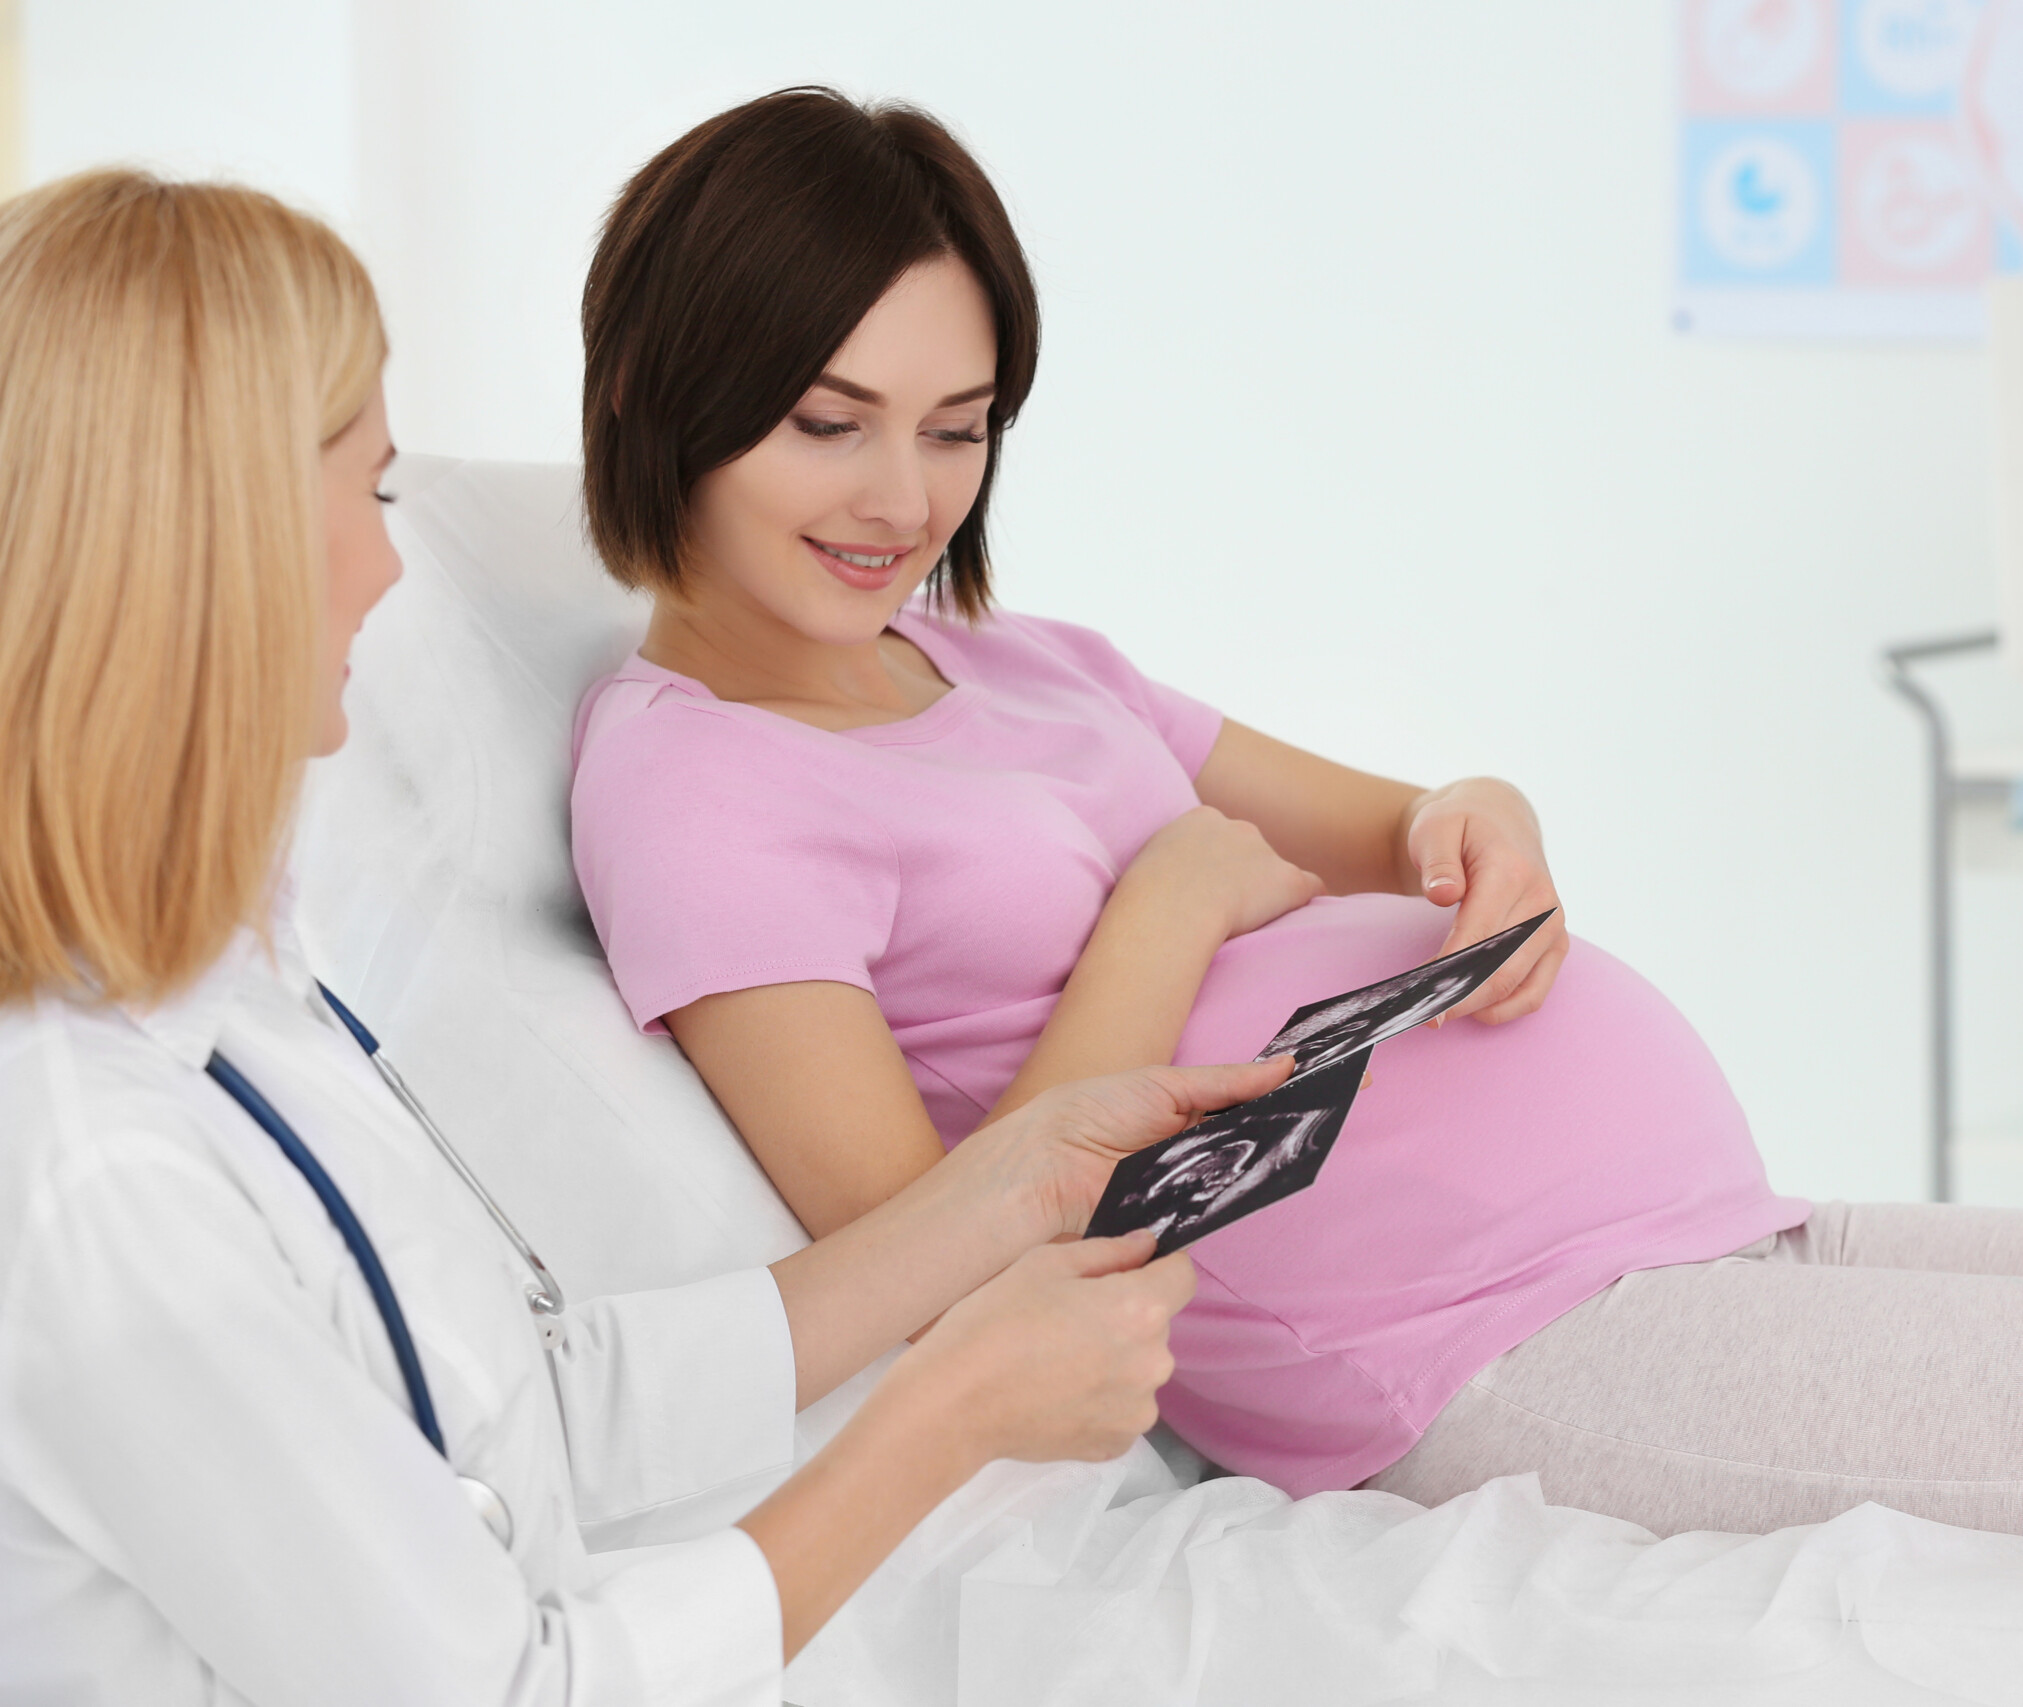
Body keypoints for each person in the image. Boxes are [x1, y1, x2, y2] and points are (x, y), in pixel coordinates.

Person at [568, 88, 2023, 1572]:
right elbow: (934, 1268)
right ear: (667, 385)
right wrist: (1172, 893)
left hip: (1684, 1226)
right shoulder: (694, 784)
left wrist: (1482, 835)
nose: (900, 494)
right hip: (1476, 1350)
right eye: (826, 420)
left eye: (956, 418)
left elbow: (1389, 820)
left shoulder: (1010, 660)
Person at [0, 167, 1282, 1703]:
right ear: (206, 546)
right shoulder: (99, 1191)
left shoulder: (240, 1002)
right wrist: (943, 1413)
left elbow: (527, 1413)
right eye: (366, 493)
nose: (392, 565)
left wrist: (1012, 1189)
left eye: (958, 423)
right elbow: (507, 1691)